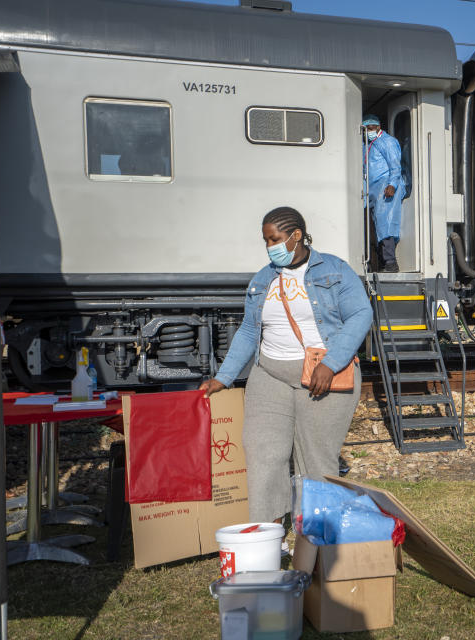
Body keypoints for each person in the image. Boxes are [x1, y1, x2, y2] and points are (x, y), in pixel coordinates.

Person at [200, 207, 373, 525]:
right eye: (265, 240)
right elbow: (249, 331)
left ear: (296, 236)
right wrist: (223, 377)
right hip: (270, 374)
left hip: (322, 378)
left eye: (274, 239)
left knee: (315, 459)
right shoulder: (263, 278)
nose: (269, 246)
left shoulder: (334, 270)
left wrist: (332, 363)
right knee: (262, 452)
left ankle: (318, 540)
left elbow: (361, 314)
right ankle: (267, 535)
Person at [363, 114, 404, 272]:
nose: (368, 131)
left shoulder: (387, 142)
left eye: (371, 128)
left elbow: (395, 165)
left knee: (385, 224)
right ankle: (382, 263)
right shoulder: (369, 144)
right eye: (366, 129)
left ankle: (391, 263)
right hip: (373, 190)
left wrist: (392, 184)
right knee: (377, 225)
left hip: (385, 187)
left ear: (378, 127)